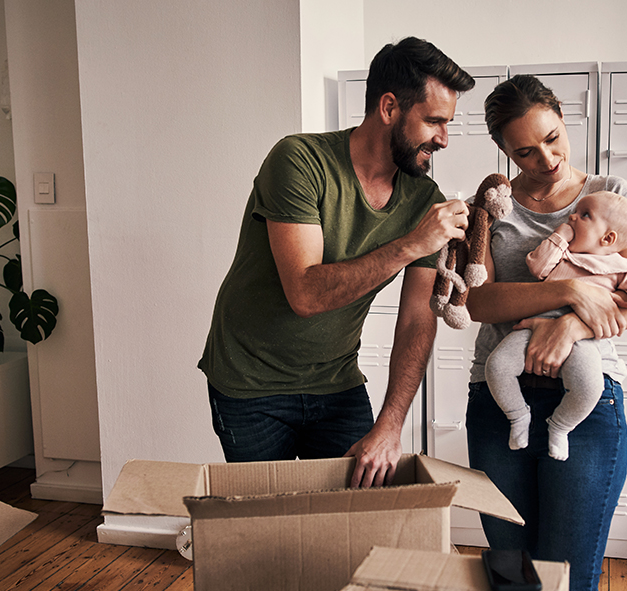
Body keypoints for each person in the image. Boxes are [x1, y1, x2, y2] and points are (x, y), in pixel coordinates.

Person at [198, 37, 474, 489]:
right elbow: (305, 294)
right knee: (268, 524)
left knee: (358, 518)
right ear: (389, 108)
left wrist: (389, 427)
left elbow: (416, 322)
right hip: (250, 383)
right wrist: (411, 243)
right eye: (435, 121)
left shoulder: (424, 199)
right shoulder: (300, 161)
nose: (443, 138)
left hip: (336, 380)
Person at [464, 75, 627, 591]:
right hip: (499, 402)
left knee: (569, 590)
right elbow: (477, 303)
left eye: (552, 138)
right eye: (524, 151)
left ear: (562, 117)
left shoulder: (611, 196)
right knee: (510, 578)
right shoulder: (492, 207)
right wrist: (568, 290)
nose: (546, 158)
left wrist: (571, 327)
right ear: (503, 150)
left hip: (589, 402)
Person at [485, 190, 627, 461]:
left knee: (590, 387)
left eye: (584, 215)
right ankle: (518, 415)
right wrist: (560, 236)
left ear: (608, 238)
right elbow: (537, 265)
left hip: (583, 338)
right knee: (497, 366)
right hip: (536, 325)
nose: (572, 216)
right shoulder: (562, 254)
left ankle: (560, 427)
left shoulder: (618, 267)